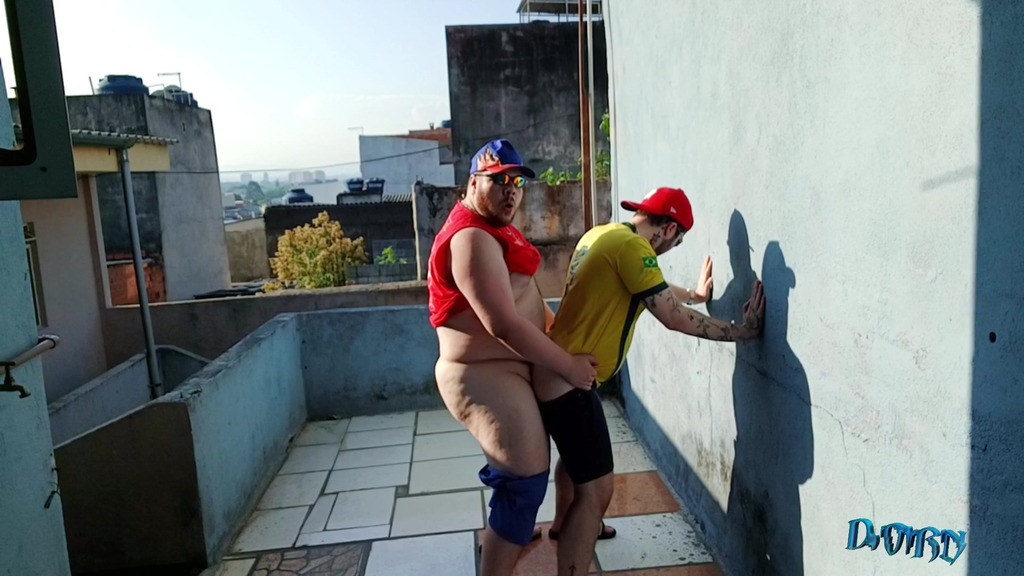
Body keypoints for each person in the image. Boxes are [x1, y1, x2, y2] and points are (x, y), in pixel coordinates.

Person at [533, 186, 767, 576]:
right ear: (670, 229)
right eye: (679, 241)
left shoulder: (604, 234)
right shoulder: (634, 248)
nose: (672, 248)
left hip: (556, 374)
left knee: (575, 464)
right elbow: (671, 316)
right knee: (597, 491)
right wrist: (742, 331)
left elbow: (651, 286)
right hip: (569, 385)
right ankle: (575, 543)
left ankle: (563, 524)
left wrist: (695, 295)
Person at [427, 138, 599, 576]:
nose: (510, 192)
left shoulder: (494, 227)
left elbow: (524, 297)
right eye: (499, 181)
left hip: (511, 367)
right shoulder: (470, 237)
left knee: (529, 478)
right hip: (481, 372)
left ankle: (517, 536)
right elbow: (502, 324)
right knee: (523, 482)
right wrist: (567, 365)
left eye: (517, 184)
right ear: (472, 183)